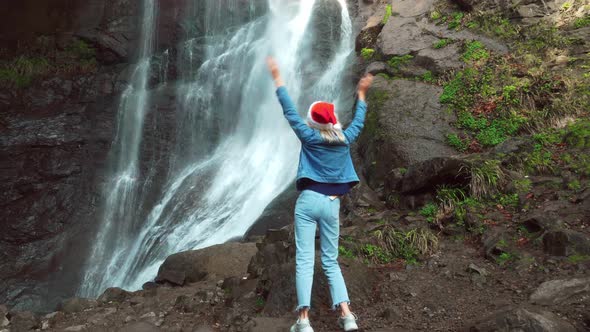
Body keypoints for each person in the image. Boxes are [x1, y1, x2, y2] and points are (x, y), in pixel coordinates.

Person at [266, 57, 373, 332]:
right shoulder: (345, 139)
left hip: (308, 203)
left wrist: (278, 78)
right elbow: (359, 122)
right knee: (330, 260)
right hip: (332, 204)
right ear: (335, 120)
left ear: (313, 122)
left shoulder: (308, 137)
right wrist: (362, 94)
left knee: (304, 259)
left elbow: (290, 111)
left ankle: (303, 321)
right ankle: (347, 316)